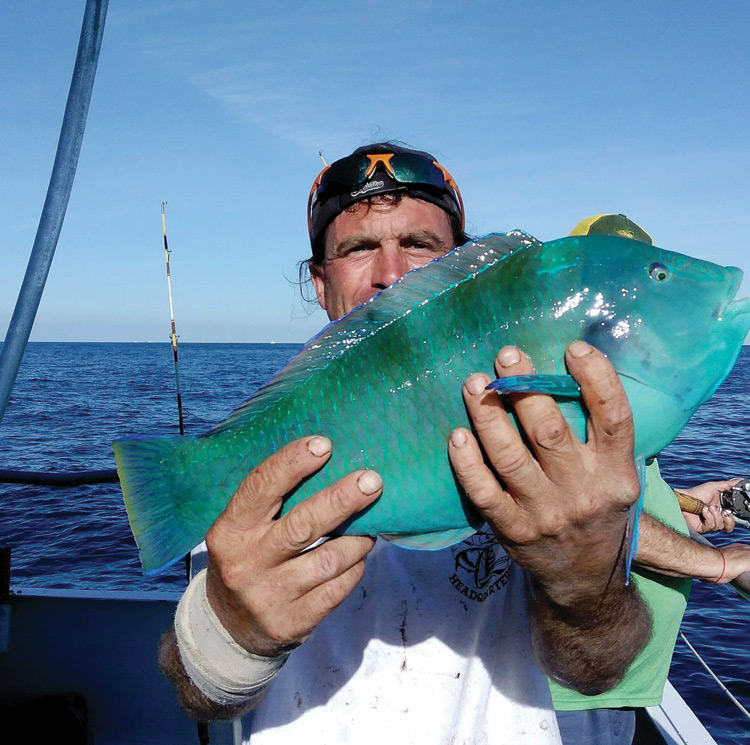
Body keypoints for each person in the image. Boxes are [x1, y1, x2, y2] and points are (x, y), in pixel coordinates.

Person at [157, 143, 737, 744]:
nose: (392, 272)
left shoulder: (551, 439)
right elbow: (197, 693)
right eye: (359, 248)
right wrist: (235, 633)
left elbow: (597, 671)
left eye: (420, 245)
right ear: (320, 281)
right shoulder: (262, 452)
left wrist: (583, 585)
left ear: (462, 265)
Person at [551, 214, 750, 745]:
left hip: (623, 682)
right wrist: (721, 563)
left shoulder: (632, 410)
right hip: (574, 691)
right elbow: (587, 514)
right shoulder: (561, 401)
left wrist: (685, 507)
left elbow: (631, 499)